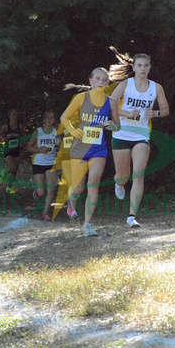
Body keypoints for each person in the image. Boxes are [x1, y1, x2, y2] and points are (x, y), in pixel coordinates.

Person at [109, 48, 169, 228]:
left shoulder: (156, 87)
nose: (143, 69)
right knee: (123, 176)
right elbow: (110, 104)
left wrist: (155, 113)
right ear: (134, 67)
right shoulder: (125, 85)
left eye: (146, 66)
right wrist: (126, 113)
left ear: (149, 68)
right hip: (121, 134)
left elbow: (165, 110)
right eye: (139, 65)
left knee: (139, 175)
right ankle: (118, 184)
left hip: (141, 135)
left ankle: (131, 216)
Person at [60, 68, 120, 236]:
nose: (102, 82)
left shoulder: (111, 102)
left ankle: (87, 224)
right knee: (79, 189)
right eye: (98, 79)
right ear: (91, 80)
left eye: (105, 79)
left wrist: (113, 126)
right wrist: (72, 131)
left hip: (98, 149)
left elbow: (118, 125)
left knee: (93, 182)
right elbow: (64, 118)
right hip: (80, 148)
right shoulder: (81, 98)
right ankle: (71, 201)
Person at [27, 110, 59, 221]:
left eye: (52, 118)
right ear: (44, 119)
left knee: (51, 189)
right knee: (41, 191)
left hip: (51, 162)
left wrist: (60, 143)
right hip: (38, 162)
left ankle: (45, 212)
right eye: (48, 117)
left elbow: (61, 145)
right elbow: (28, 147)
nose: (50, 120)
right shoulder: (37, 131)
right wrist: (40, 150)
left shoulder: (56, 132)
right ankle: (36, 193)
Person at [0, 109, 24, 194]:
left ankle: (8, 187)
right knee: (12, 167)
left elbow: (23, 137)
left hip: (16, 149)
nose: (14, 117)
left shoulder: (19, 126)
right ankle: (3, 172)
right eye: (13, 115)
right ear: (9, 116)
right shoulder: (6, 126)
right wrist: (2, 139)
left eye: (16, 115)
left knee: (15, 170)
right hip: (8, 150)